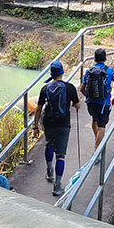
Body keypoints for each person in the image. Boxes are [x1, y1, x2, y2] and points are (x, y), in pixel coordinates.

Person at [32, 61, 80, 197]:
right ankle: (57, 186)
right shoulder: (69, 87)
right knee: (61, 155)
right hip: (63, 124)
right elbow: (78, 106)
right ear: (62, 72)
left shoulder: (45, 88)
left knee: (49, 144)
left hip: (48, 123)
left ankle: (49, 171)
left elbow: (38, 108)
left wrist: (35, 126)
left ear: (51, 74)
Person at [81, 48, 114, 149]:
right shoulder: (109, 71)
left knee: (94, 120)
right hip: (104, 103)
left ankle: (98, 141)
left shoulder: (89, 71)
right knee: (101, 126)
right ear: (105, 58)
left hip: (91, 103)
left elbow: (82, 88)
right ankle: (97, 151)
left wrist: (88, 96)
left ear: (94, 58)